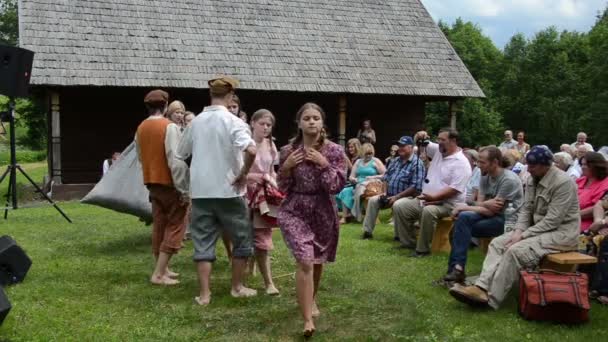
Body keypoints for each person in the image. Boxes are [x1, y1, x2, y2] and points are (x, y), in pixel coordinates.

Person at [449, 146, 580, 309]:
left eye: (532, 166)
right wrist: (518, 232)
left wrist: (523, 236)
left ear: (545, 165)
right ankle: (480, 287)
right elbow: (526, 210)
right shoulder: (533, 178)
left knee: (514, 251)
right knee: (498, 243)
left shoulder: (563, 183)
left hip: (562, 234)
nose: (528, 169)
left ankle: (491, 300)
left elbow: (553, 221)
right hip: (536, 229)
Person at [176, 76, 258, 305]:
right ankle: (237, 287)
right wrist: (243, 173)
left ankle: (204, 294)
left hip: (201, 192)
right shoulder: (234, 122)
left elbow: (181, 154)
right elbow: (251, 150)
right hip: (229, 191)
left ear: (210, 95)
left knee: (202, 240)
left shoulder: (196, 122)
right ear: (231, 95)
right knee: (241, 240)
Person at [277, 102, 346, 337]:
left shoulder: (334, 151)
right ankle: (307, 320)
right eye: (307, 118)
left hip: (323, 210)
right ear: (299, 123)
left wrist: (324, 164)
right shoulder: (288, 151)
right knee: (305, 261)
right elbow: (282, 187)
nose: (312, 121)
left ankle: (311, 299)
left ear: (322, 122)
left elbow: (336, 186)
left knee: (317, 260)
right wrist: (285, 168)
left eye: (316, 118)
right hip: (294, 209)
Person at [442, 146, 524, 283]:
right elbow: (481, 205)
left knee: (460, 226)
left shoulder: (508, 180)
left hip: (508, 222)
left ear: (495, 162)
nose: (478, 165)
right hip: (490, 215)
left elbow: (491, 210)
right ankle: (457, 269)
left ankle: (456, 270)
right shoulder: (485, 175)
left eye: (482, 162)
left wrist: (466, 206)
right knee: (463, 218)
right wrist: (479, 204)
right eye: (478, 161)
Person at [135, 90, 189, 285]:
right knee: (176, 225)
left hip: (151, 182)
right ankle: (158, 274)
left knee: (160, 225)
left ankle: (163, 268)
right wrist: (183, 190)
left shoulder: (141, 127)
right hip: (169, 183)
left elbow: (140, 156)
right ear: (165, 106)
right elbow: (175, 161)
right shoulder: (170, 127)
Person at [393, 128, 472, 257]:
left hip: (448, 204)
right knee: (399, 206)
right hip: (427, 199)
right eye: (438, 139)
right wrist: (419, 135)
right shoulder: (439, 151)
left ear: (453, 141)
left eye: (443, 140)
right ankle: (408, 242)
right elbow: (420, 142)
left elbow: (454, 189)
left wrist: (433, 197)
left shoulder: (462, 163)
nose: (439, 142)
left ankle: (422, 250)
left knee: (428, 211)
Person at [361, 136, 425, 240]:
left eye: (403, 146)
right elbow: (386, 177)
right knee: (373, 201)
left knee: (398, 204)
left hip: (408, 198)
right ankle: (367, 232)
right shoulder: (395, 161)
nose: (400, 148)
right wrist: (385, 193)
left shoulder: (417, 163)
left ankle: (399, 236)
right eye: (399, 145)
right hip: (390, 195)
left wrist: (397, 197)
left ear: (411, 147)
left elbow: (415, 187)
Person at [246, 109, 280, 296]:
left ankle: (269, 283)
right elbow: (237, 172)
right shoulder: (244, 143)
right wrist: (256, 177)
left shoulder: (271, 145)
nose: (265, 128)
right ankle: (250, 264)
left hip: (263, 196)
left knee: (263, 236)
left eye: (269, 125)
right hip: (245, 193)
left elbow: (272, 170)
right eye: (262, 124)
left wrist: (274, 185)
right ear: (253, 123)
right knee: (247, 232)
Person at [337, 143, 385, 224]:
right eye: (367, 153)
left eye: (370, 153)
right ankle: (344, 217)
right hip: (357, 183)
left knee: (360, 188)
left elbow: (385, 175)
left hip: (371, 185)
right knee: (345, 191)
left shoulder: (376, 161)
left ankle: (355, 212)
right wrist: (353, 179)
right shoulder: (358, 162)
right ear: (362, 153)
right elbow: (351, 176)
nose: (369, 155)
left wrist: (373, 177)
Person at [576, 152, 608, 232]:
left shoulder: (605, 183)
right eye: (581, 164)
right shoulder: (580, 180)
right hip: (567, 216)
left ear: (597, 166)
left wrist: (571, 216)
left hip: (587, 222)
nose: (583, 167)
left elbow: (597, 206)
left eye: (586, 165)